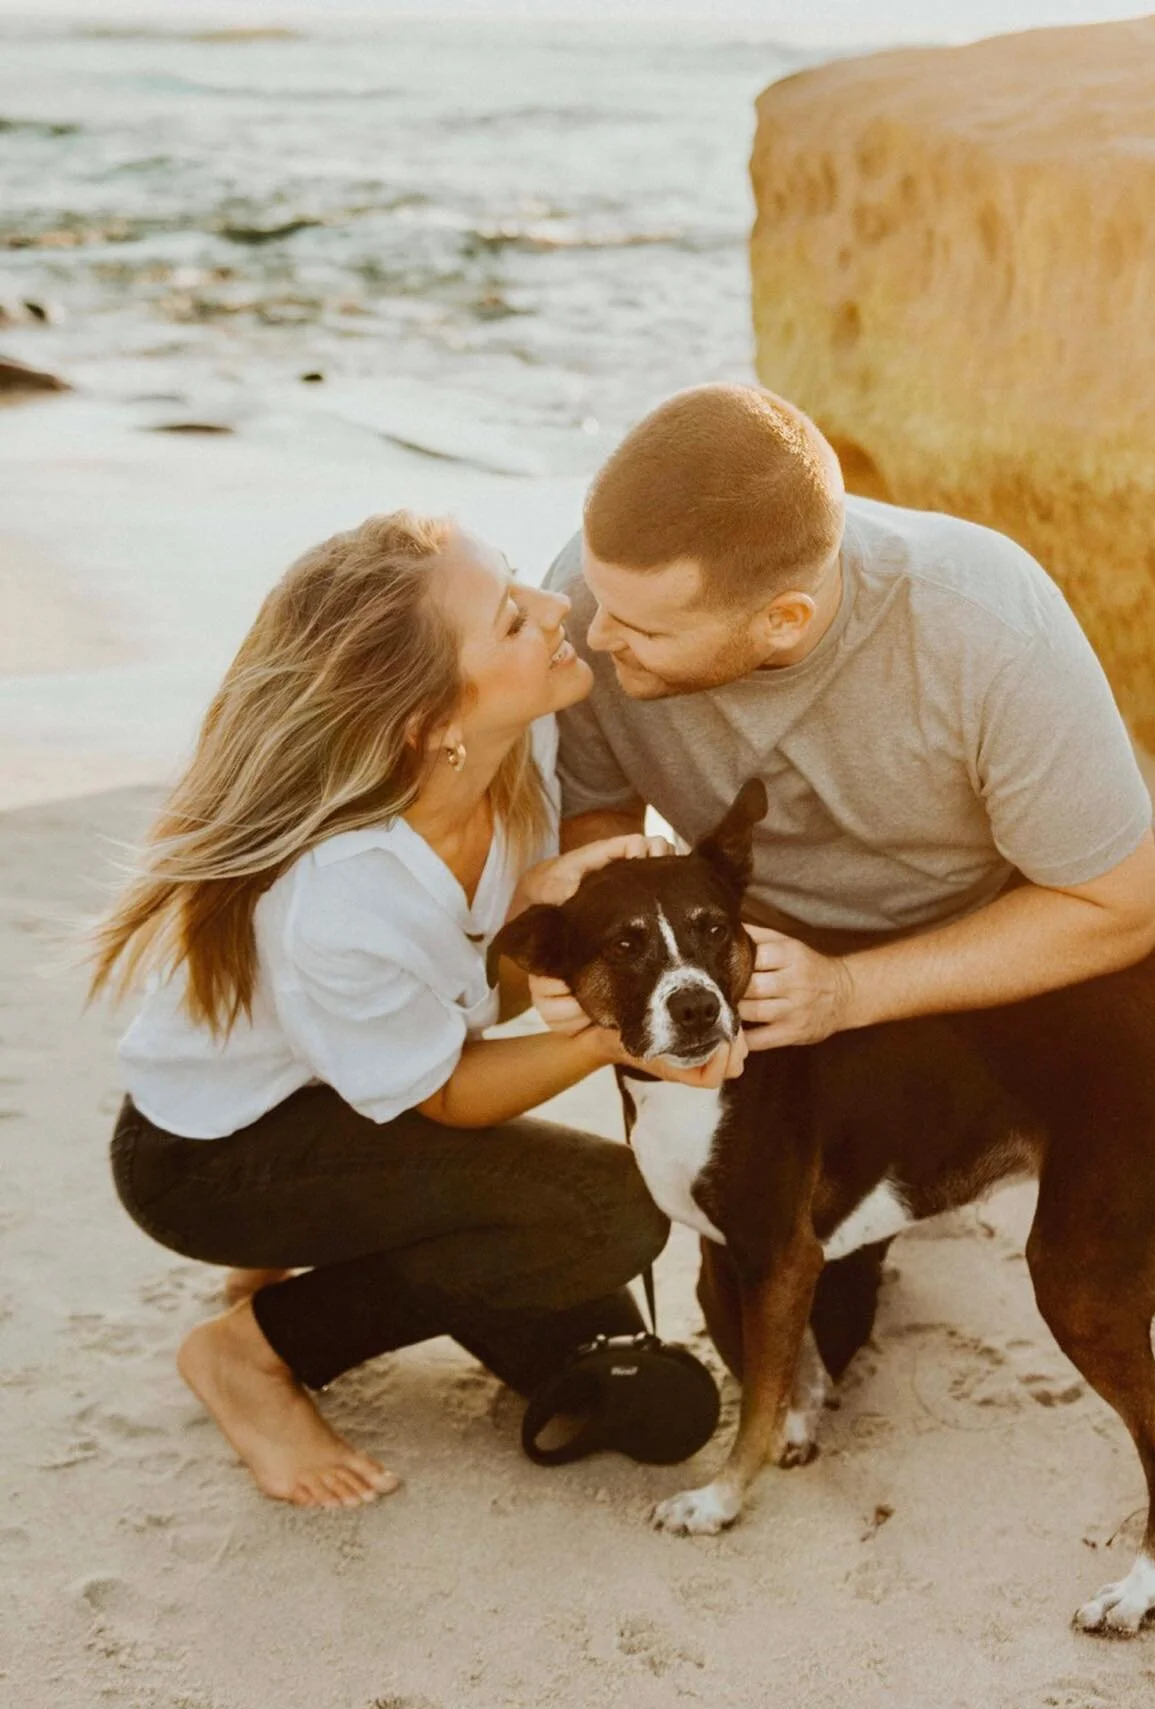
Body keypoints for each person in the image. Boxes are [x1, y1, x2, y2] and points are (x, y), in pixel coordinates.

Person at [532, 384, 1155, 1611]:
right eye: (599, 605)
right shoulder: (608, 591)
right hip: (759, 932)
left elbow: (1114, 905)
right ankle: (888, 1217)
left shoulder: (980, 619)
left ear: (784, 618)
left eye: (638, 634)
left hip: (1006, 884)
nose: (597, 642)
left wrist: (854, 989)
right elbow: (596, 829)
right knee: (782, 1303)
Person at [92, 510, 741, 1510]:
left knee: (640, 1395)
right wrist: (622, 1036)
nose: (553, 603)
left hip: (352, 1102)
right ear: (433, 723)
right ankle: (252, 1353)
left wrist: (545, 909)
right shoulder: (340, 891)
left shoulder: (521, 759)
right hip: (209, 1159)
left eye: (522, 583)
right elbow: (448, 1093)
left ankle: (309, 1264)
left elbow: (474, 988)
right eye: (511, 622)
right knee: (607, 1211)